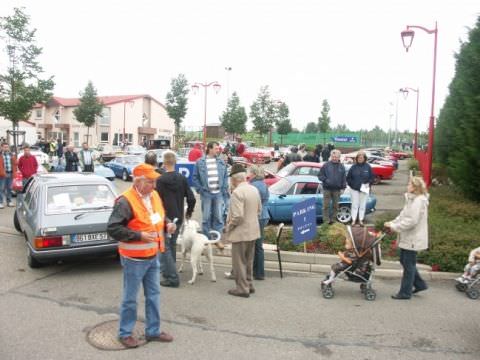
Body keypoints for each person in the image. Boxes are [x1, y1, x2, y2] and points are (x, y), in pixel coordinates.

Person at [107, 163, 175, 348]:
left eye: (154, 181)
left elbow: (157, 217)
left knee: (154, 295)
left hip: (152, 255)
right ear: (138, 181)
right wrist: (139, 236)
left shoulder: (153, 195)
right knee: (130, 298)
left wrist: (167, 224)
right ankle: (125, 333)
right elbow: (113, 228)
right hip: (134, 259)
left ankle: (153, 331)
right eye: (150, 182)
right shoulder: (125, 201)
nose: (154, 185)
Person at [384, 176, 429, 300]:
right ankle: (420, 284)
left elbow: (411, 221)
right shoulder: (411, 199)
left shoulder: (419, 201)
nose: (407, 185)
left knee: (408, 264)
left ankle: (405, 292)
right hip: (408, 236)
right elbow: (403, 215)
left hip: (413, 237)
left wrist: (394, 227)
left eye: (409, 184)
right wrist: (392, 222)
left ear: (415, 187)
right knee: (405, 261)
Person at [156, 151, 196, 288]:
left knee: (165, 246)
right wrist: (189, 212)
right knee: (171, 244)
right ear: (175, 162)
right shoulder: (182, 178)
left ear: (164, 163)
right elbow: (192, 198)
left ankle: (170, 275)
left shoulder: (160, 180)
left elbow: (157, 201)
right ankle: (170, 269)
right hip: (178, 216)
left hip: (165, 217)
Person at [224, 164, 261, 298]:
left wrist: (228, 227)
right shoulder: (254, 189)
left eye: (231, 180)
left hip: (240, 232)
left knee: (239, 262)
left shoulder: (237, 193)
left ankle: (242, 288)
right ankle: (249, 284)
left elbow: (237, 216)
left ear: (234, 180)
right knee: (248, 260)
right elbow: (259, 210)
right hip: (253, 230)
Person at [192, 141, 229, 246]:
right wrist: (200, 190)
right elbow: (195, 177)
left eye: (218, 148)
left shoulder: (221, 162)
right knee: (206, 218)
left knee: (218, 217)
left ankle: (217, 240)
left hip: (218, 193)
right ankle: (206, 240)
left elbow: (226, 175)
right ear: (209, 149)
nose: (218, 150)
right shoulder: (200, 162)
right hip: (206, 194)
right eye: (216, 148)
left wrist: (224, 188)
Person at [249, 165, 269, 280]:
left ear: (255, 174)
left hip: (257, 216)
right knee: (258, 245)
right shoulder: (263, 184)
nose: (249, 175)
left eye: (250, 173)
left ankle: (258, 272)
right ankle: (258, 272)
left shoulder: (254, 186)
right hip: (264, 215)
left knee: (256, 246)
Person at [346, 151, 374, 226]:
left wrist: (368, 183)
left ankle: (361, 220)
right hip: (354, 189)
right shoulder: (353, 167)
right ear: (357, 158)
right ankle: (353, 220)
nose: (360, 159)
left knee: (362, 205)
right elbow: (348, 178)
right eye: (359, 157)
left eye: (362, 158)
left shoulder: (368, 167)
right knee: (354, 205)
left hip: (364, 189)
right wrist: (353, 185)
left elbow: (372, 178)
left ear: (364, 158)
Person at [318, 149, 346, 225]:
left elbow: (344, 178)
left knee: (335, 206)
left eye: (336, 157)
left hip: (337, 190)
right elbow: (320, 176)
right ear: (331, 156)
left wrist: (343, 188)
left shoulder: (341, 167)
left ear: (339, 157)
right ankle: (326, 221)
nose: (334, 158)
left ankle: (333, 220)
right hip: (327, 189)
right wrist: (326, 180)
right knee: (325, 206)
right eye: (333, 156)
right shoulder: (326, 165)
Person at [0, 143, 17, 208]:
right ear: (1, 147)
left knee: (9, 188)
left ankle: (9, 201)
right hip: (2, 174)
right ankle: (1, 202)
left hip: (10, 173)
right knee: (1, 189)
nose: (6, 148)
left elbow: (15, 163)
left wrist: (14, 158)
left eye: (7, 147)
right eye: (4, 147)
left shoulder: (11, 155)